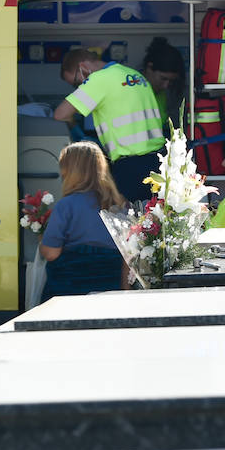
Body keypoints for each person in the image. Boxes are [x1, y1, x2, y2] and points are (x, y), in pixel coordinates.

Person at [53, 47, 164, 203]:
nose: (79, 88)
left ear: (83, 68)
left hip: (131, 166)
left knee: (126, 223)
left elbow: (60, 114)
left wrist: (76, 131)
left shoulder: (99, 79)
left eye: (77, 83)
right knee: (152, 222)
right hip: (158, 161)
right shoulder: (133, 75)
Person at [39, 142, 126, 301]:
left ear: (70, 172)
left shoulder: (66, 205)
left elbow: (51, 253)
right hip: (109, 289)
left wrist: (42, 243)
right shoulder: (119, 206)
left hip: (69, 290)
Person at [141, 37, 185, 128]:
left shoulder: (166, 95)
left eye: (171, 81)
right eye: (163, 79)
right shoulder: (131, 92)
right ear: (149, 68)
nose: (166, 86)